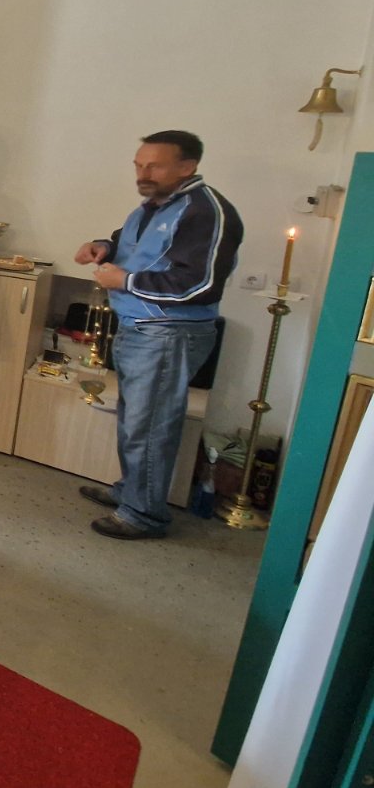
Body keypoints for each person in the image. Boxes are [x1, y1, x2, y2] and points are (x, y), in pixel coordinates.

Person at [75, 129, 242, 539]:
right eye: (139, 165)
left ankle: (143, 515)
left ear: (187, 166)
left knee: (149, 426)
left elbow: (201, 284)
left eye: (155, 166)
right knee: (135, 420)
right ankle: (131, 493)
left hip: (168, 332)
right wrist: (103, 247)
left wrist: (125, 281)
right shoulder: (153, 206)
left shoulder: (204, 212)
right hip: (140, 327)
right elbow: (131, 246)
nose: (143, 173)